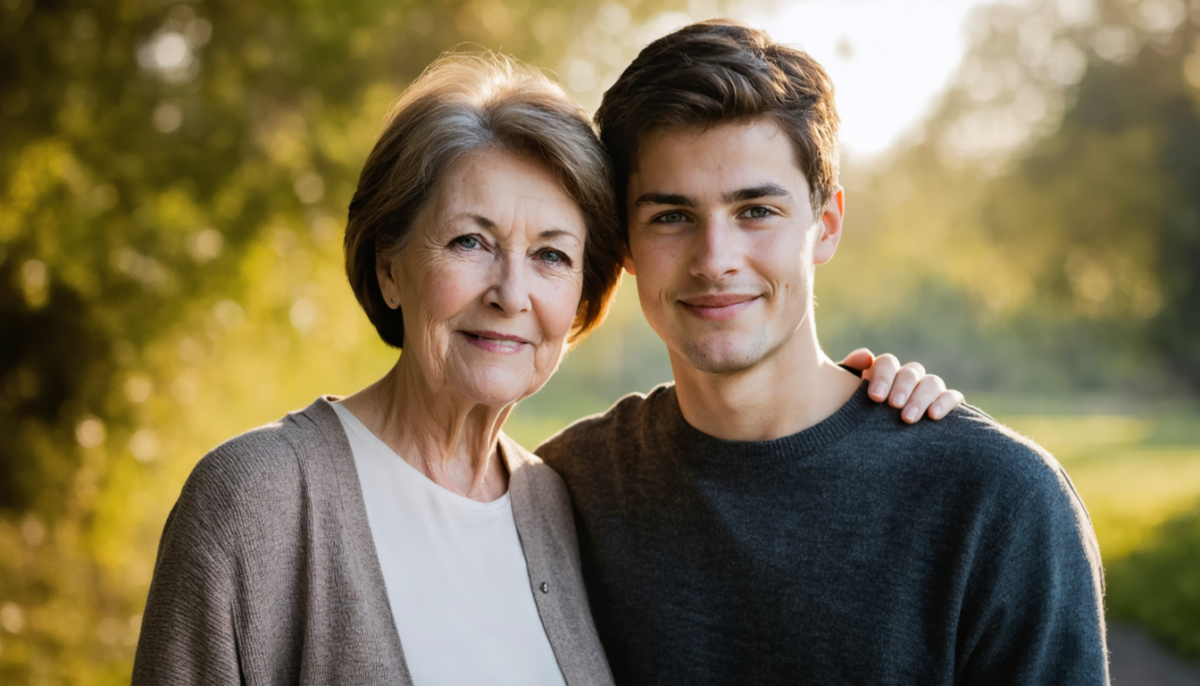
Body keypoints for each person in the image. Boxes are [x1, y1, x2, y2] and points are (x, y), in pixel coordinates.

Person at [131, 53, 958, 685]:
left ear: (586, 295)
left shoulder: (556, 500)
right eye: (469, 242)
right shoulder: (259, 501)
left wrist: (873, 415)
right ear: (389, 265)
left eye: (552, 256)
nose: (511, 293)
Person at [536, 20, 1108, 686]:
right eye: (672, 216)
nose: (715, 261)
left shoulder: (997, 501)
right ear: (626, 244)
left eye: (756, 211)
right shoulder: (568, 489)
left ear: (826, 225)